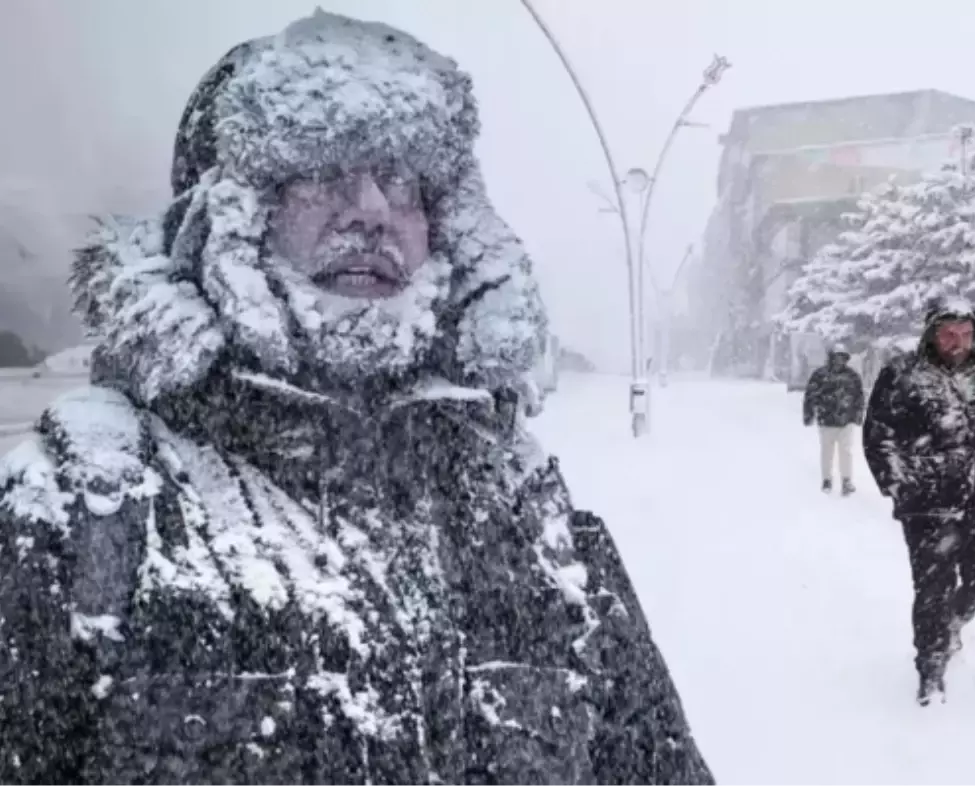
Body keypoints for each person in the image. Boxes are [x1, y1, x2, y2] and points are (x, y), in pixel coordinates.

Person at [0, 12, 714, 784]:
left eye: (403, 181)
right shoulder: (81, 511)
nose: (371, 207)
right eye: (320, 170)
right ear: (227, 217)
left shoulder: (527, 514)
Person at [862, 298, 975, 706]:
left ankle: (951, 624)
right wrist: (900, 484)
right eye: (949, 334)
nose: (958, 342)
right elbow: (879, 435)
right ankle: (930, 669)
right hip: (927, 502)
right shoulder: (902, 374)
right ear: (931, 334)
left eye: (965, 334)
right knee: (934, 588)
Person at [802, 343, 865, 495]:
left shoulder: (852, 376)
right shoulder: (820, 375)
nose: (839, 361)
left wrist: (858, 414)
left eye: (842, 358)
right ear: (831, 358)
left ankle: (846, 480)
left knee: (846, 451)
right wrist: (808, 414)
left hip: (846, 420)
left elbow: (859, 397)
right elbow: (810, 395)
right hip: (826, 420)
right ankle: (827, 480)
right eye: (836, 357)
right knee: (827, 452)